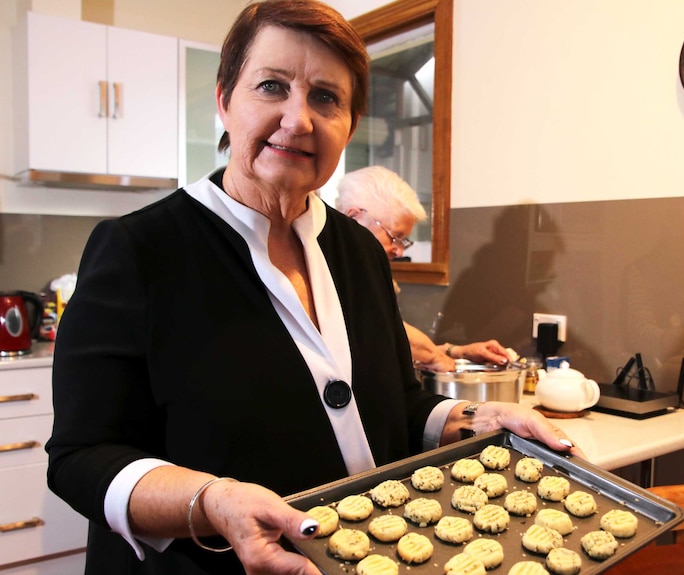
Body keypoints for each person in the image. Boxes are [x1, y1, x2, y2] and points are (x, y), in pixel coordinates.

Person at [44, 2, 585, 574]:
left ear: (348, 125)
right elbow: (80, 458)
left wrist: (480, 421)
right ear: (225, 101)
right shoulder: (141, 250)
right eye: (272, 86)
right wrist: (213, 501)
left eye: (326, 98)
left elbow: (397, 407)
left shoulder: (358, 250)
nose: (299, 119)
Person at [335, 166, 511, 372]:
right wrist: (433, 355)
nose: (399, 251)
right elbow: (380, 332)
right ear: (354, 217)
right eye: (395, 237)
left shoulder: (375, 275)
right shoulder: (327, 270)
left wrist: (456, 352)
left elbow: (395, 345)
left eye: (403, 241)